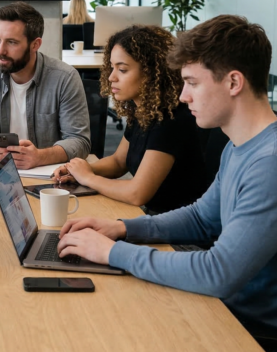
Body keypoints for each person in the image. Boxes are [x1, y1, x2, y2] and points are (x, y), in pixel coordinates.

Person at [55, 15, 277, 352]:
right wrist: (122, 228)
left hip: (254, 337)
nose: (183, 95)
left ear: (233, 82)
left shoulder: (276, 164)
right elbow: (202, 218)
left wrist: (112, 252)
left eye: (191, 83)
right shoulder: (243, 144)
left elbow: (218, 274)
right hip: (226, 310)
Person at [52, 25, 210, 214]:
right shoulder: (143, 110)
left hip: (177, 224)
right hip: (155, 216)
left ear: (151, 72)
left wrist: (88, 178)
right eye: (112, 68)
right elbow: (119, 162)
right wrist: (81, 171)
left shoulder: (170, 119)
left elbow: (137, 194)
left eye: (122, 69)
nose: (111, 77)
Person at [0, 2, 91, 170]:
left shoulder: (65, 78)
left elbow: (79, 141)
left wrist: (40, 157)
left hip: (50, 175)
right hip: (3, 174)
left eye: (11, 42)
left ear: (35, 44)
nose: (0, 51)